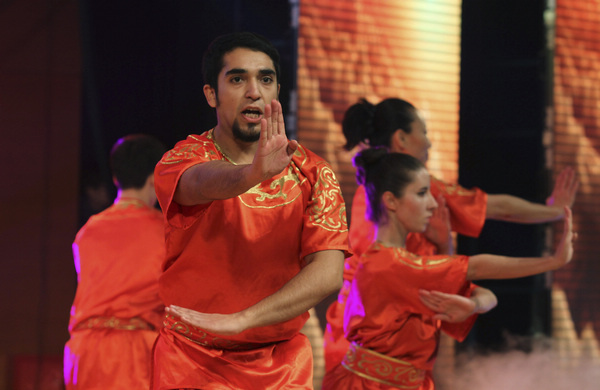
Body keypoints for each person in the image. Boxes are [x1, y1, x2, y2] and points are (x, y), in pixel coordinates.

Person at [151, 31, 350, 389]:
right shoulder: (182, 159)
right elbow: (198, 184)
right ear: (212, 94)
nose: (254, 91)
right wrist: (251, 174)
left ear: (276, 92)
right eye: (238, 78)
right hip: (192, 359)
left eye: (266, 79)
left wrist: (245, 319)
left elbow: (329, 273)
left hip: (281, 365)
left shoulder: (315, 172)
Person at [324, 97, 580, 371]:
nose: (432, 202)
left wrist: (467, 290)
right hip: (376, 338)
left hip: (371, 327)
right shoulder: (394, 235)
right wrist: (553, 219)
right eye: (423, 132)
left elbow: (472, 285)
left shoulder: (373, 188)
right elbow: (497, 214)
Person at [63, 134, 168, 389]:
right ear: (157, 177)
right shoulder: (166, 231)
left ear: (115, 178)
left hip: (83, 352)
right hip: (132, 351)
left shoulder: (88, 231)